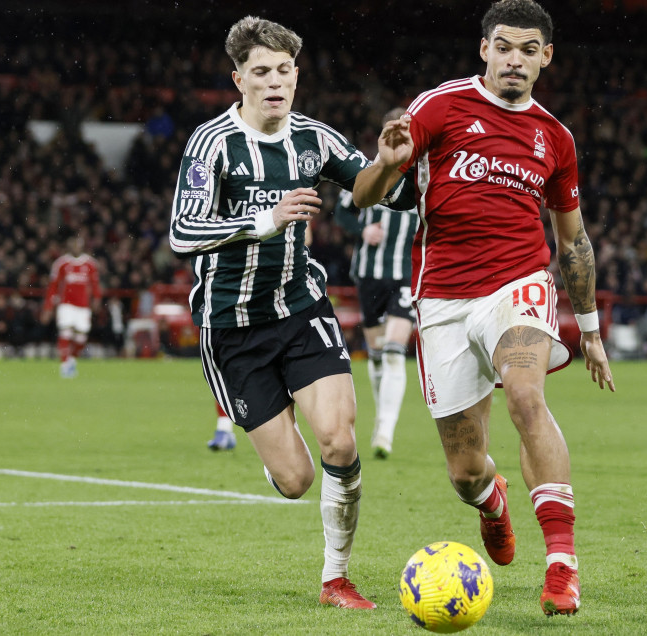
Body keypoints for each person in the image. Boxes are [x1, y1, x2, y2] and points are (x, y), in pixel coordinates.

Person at [352, 0, 614, 617]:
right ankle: (492, 502)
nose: (514, 60)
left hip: (518, 285)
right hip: (442, 297)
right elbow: (366, 196)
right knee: (465, 470)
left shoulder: (555, 137)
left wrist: (593, 330)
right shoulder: (438, 107)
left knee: (527, 397)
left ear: (546, 57)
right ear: (484, 49)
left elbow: (572, 240)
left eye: (528, 50)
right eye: (504, 47)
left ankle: (562, 569)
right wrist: (387, 166)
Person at [168, 16, 409, 610]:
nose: (274, 82)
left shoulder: (316, 140)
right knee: (297, 481)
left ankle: (335, 579)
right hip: (230, 328)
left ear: (296, 75)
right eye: (260, 72)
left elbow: (377, 192)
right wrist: (267, 218)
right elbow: (182, 230)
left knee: (339, 439)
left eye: (283, 71)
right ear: (238, 79)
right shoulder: (211, 145)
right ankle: (276, 451)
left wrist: (388, 163)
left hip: (301, 308)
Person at [333, 107, 419, 459]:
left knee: (396, 350)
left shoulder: (424, 174)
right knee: (378, 354)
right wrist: (361, 229)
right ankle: (380, 423)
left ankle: (385, 431)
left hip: (405, 273)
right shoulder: (368, 169)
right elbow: (341, 211)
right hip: (368, 273)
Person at [41, 235, 102, 377]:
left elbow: (95, 285)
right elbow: (53, 286)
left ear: (82, 246)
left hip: (83, 306)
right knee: (65, 332)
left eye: (78, 245)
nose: (75, 247)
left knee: (81, 338)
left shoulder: (90, 264)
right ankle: (64, 365)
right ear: (69, 246)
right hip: (66, 305)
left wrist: (97, 299)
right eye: (73, 245)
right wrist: (48, 307)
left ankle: (71, 360)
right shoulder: (61, 263)